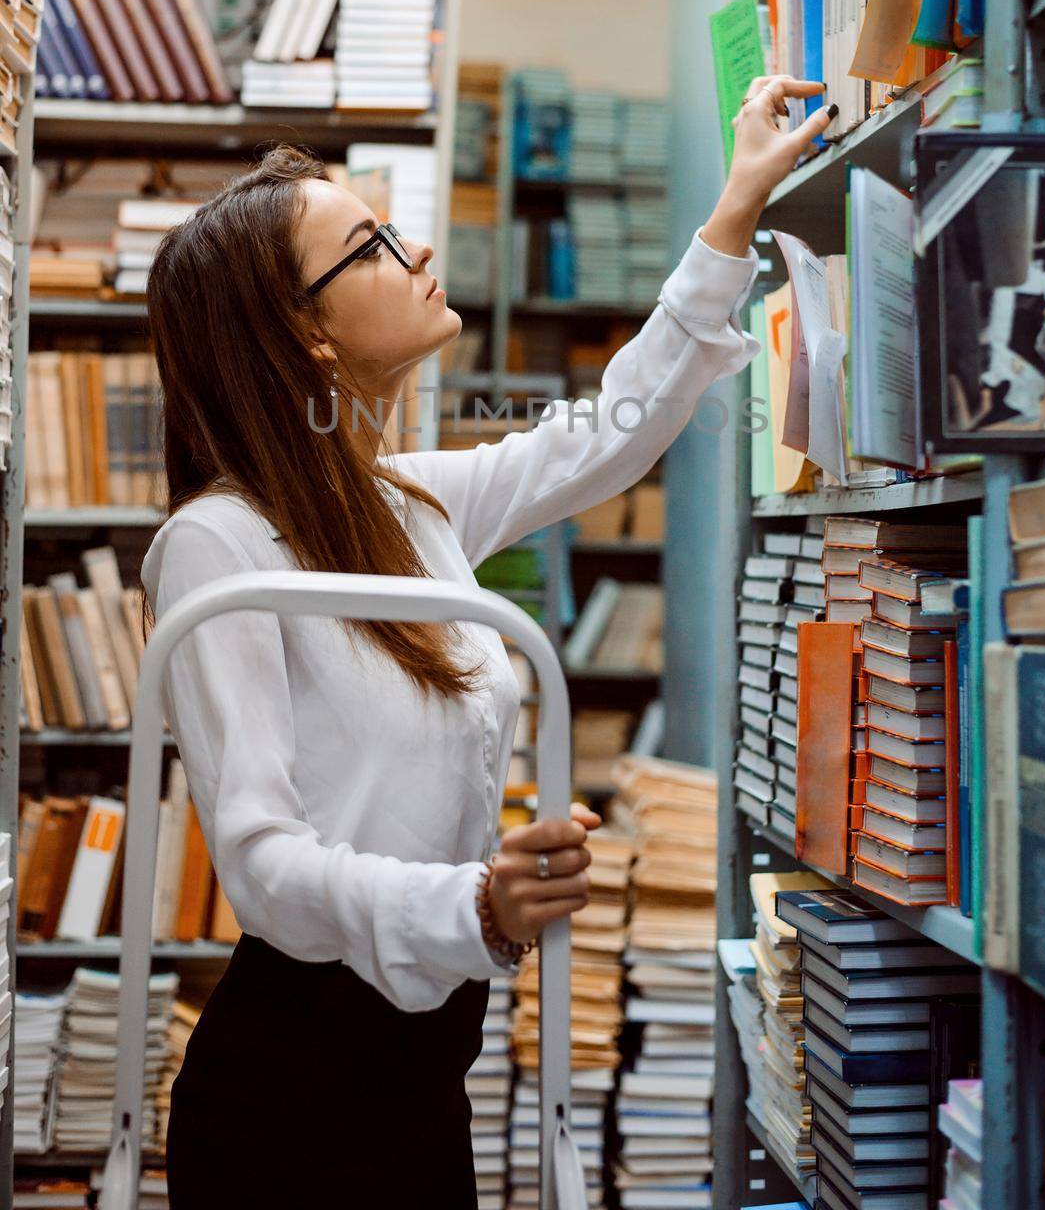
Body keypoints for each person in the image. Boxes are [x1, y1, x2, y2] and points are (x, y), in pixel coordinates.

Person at [141, 74, 832, 1208]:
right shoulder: (218, 546)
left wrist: (738, 202)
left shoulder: (406, 502)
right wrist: (471, 906)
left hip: (427, 1071)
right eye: (368, 247)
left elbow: (603, 437)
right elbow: (261, 863)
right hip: (291, 1093)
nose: (414, 250)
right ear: (303, 337)